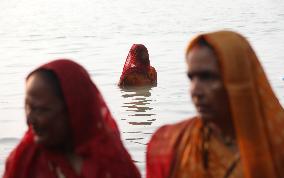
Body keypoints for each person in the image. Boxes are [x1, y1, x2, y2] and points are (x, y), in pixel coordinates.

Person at [146, 31, 284, 178]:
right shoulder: (170, 144)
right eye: (191, 78)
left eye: (207, 77)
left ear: (239, 80)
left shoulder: (277, 142)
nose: (195, 90)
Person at [3, 59, 141, 178]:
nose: (29, 120)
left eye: (41, 110)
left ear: (75, 110)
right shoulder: (25, 161)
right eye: (28, 108)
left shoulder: (112, 163)